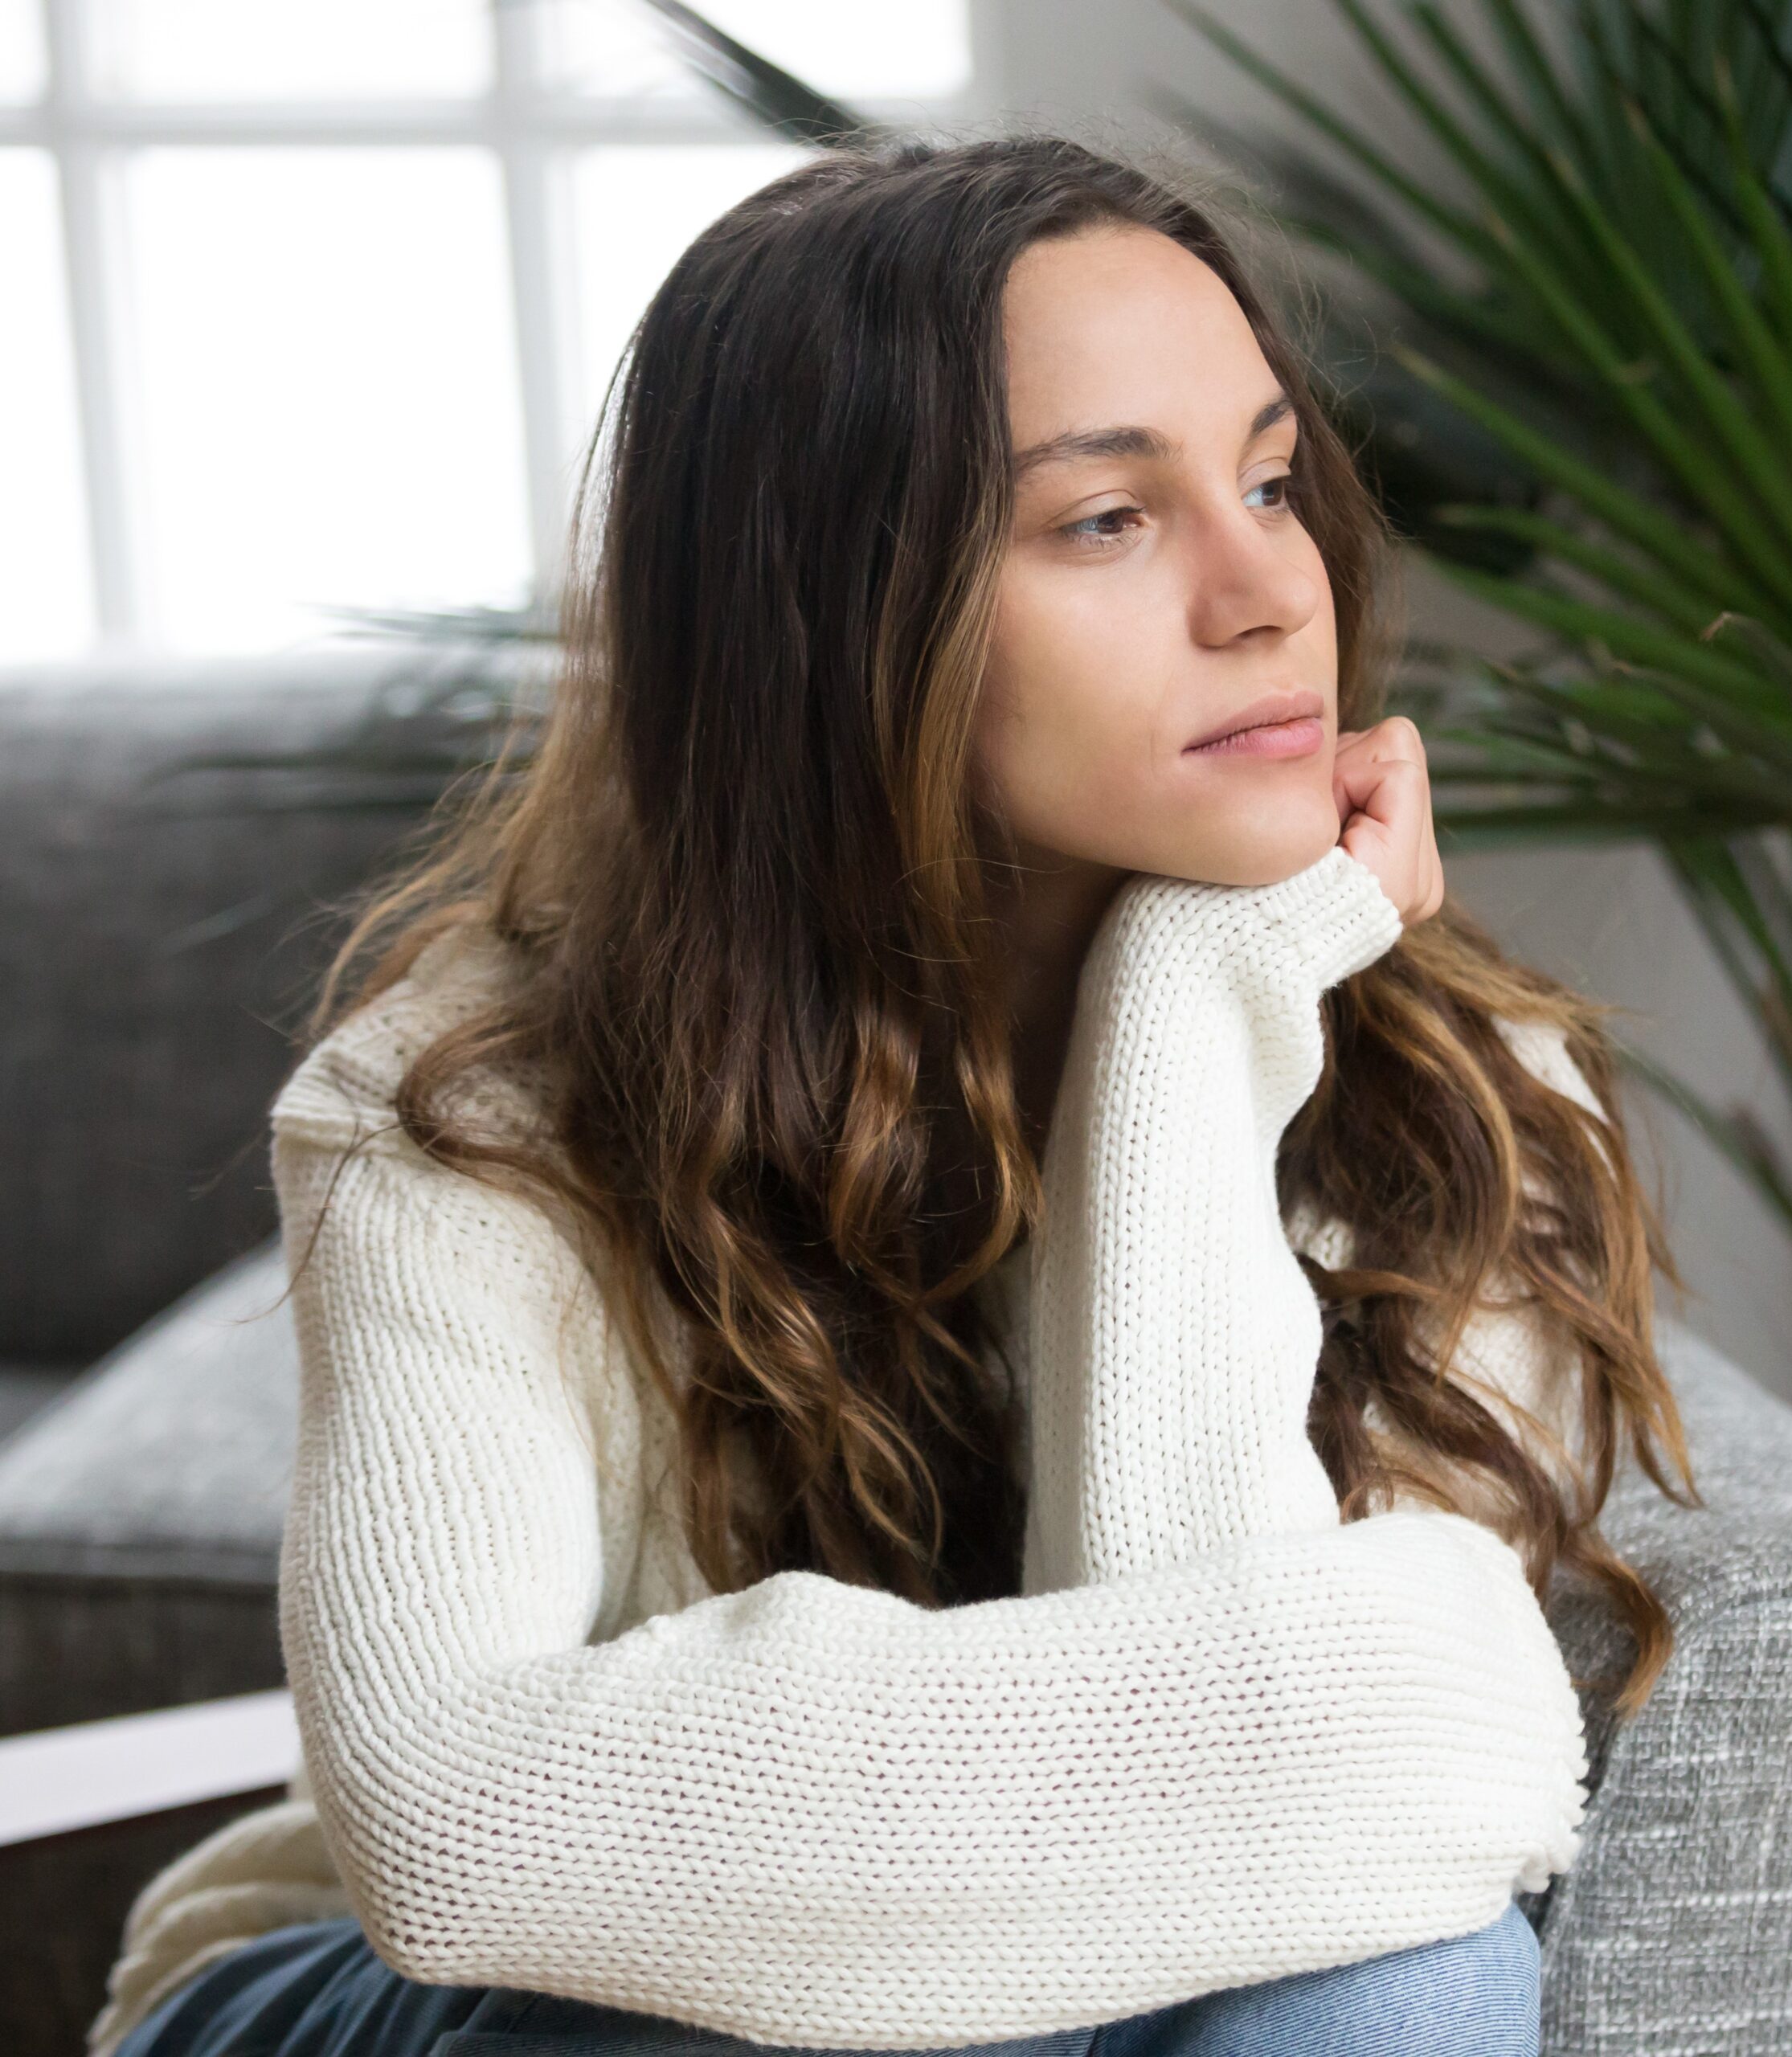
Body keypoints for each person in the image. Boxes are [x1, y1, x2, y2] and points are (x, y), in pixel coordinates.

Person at [92, 132, 1700, 2057]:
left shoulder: (1459, 1095)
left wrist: (1190, 1025)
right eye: (1105, 519)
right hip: (416, 1996)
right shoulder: (469, 1115)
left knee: (1394, 1964)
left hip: (964, 1975)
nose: (1267, 589)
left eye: (1270, 479)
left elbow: (1252, 1852)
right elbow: (458, 1830)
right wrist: (1392, 1711)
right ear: (833, 616)